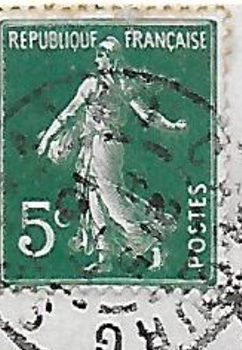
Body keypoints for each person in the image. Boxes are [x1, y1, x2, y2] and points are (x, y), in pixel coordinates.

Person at [36, 38, 189, 275]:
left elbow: (146, 115)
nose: (96, 60)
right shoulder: (96, 85)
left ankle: (153, 244)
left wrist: (172, 126)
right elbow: (70, 113)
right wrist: (47, 137)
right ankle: (104, 256)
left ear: (111, 58)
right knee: (94, 201)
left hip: (106, 146)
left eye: (100, 55)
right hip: (92, 145)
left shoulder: (119, 86)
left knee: (112, 200)